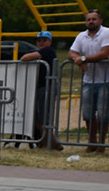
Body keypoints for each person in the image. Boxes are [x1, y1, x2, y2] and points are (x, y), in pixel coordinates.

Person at [68, 9, 109, 152]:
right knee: (87, 113)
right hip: (88, 81)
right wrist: (77, 59)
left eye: (94, 19)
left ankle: (102, 144)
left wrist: (84, 59)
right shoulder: (81, 36)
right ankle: (92, 142)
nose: (91, 22)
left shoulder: (106, 32)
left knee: (103, 114)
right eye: (88, 19)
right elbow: (71, 53)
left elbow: (105, 53)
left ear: (100, 21)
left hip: (105, 80)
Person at [19, 31, 63, 150]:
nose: (41, 42)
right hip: (40, 88)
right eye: (39, 40)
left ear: (50, 41)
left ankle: (53, 143)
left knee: (43, 118)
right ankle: (46, 142)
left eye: (44, 40)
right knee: (38, 118)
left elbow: (25, 58)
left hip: (47, 87)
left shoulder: (48, 50)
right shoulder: (41, 52)